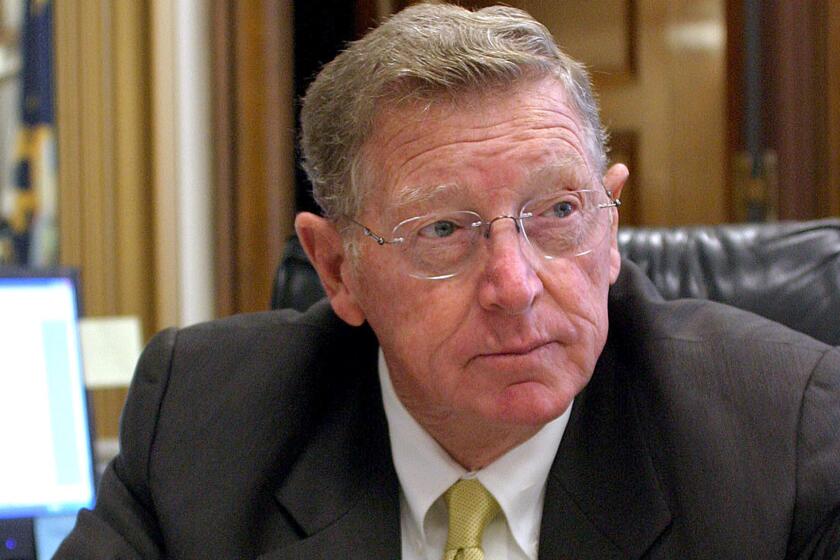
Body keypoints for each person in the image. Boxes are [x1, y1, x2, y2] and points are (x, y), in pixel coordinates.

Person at [57, 4, 840, 559]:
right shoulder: (202, 424)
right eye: (442, 230)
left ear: (611, 229)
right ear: (337, 269)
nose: (515, 284)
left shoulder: (781, 437)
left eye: (560, 210)